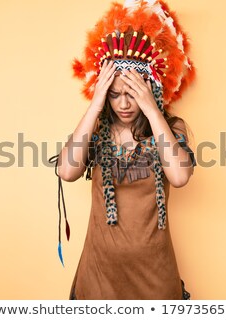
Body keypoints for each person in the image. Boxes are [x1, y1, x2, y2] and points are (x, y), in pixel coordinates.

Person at [48, 0, 197, 300]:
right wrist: (96, 100)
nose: (124, 104)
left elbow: (180, 177)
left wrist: (152, 110)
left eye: (132, 94)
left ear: (149, 89)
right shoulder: (96, 130)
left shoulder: (170, 129)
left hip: (155, 275)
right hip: (99, 276)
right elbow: (66, 171)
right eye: (115, 95)